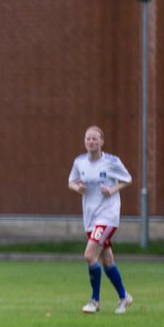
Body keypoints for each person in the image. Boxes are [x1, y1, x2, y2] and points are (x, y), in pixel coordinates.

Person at [68, 125, 133, 314]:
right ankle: (124, 297)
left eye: (95, 138)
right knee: (107, 260)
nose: (91, 141)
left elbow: (127, 179)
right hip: (90, 216)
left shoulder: (112, 162)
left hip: (108, 216)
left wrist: (112, 190)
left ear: (102, 142)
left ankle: (94, 301)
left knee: (89, 255)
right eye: (88, 138)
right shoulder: (80, 162)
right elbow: (71, 181)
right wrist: (77, 188)